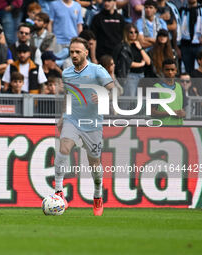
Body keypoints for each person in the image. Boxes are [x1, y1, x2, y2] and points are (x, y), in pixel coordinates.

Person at [55, 37, 114, 215]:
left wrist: (102, 94)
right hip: (72, 119)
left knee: (94, 163)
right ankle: (59, 192)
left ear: (86, 53)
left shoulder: (97, 70)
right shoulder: (66, 73)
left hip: (92, 123)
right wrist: (62, 116)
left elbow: (112, 87)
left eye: (77, 52)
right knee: (64, 148)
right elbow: (69, 95)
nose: (74, 55)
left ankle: (97, 195)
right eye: (71, 52)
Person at [114, 24, 150, 96]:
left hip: (141, 75)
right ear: (126, 33)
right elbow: (128, 63)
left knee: (139, 101)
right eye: (131, 32)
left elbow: (148, 61)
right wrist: (141, 64)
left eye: (136, 32)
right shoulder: (123, 46)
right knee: (129, 101)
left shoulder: (138, 45)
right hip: (130, 76)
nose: (134, 34)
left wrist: (140, 48)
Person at [151, 58, 187, 125]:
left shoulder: (180, 88)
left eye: (172, 70)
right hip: (160, 129)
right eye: (167, 70)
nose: (170, 72)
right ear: (162, 71)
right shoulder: (156, 88)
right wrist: (171, 112)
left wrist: (183, 113)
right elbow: (151, 112)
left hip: (178, 129)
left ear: (176, 71)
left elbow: (184, 110)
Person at [179, 0, 202, 73]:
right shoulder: (182, 9)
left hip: (198, 44)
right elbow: (178, 27)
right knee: (187, 70)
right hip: (185, 45)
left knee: (201, 69)